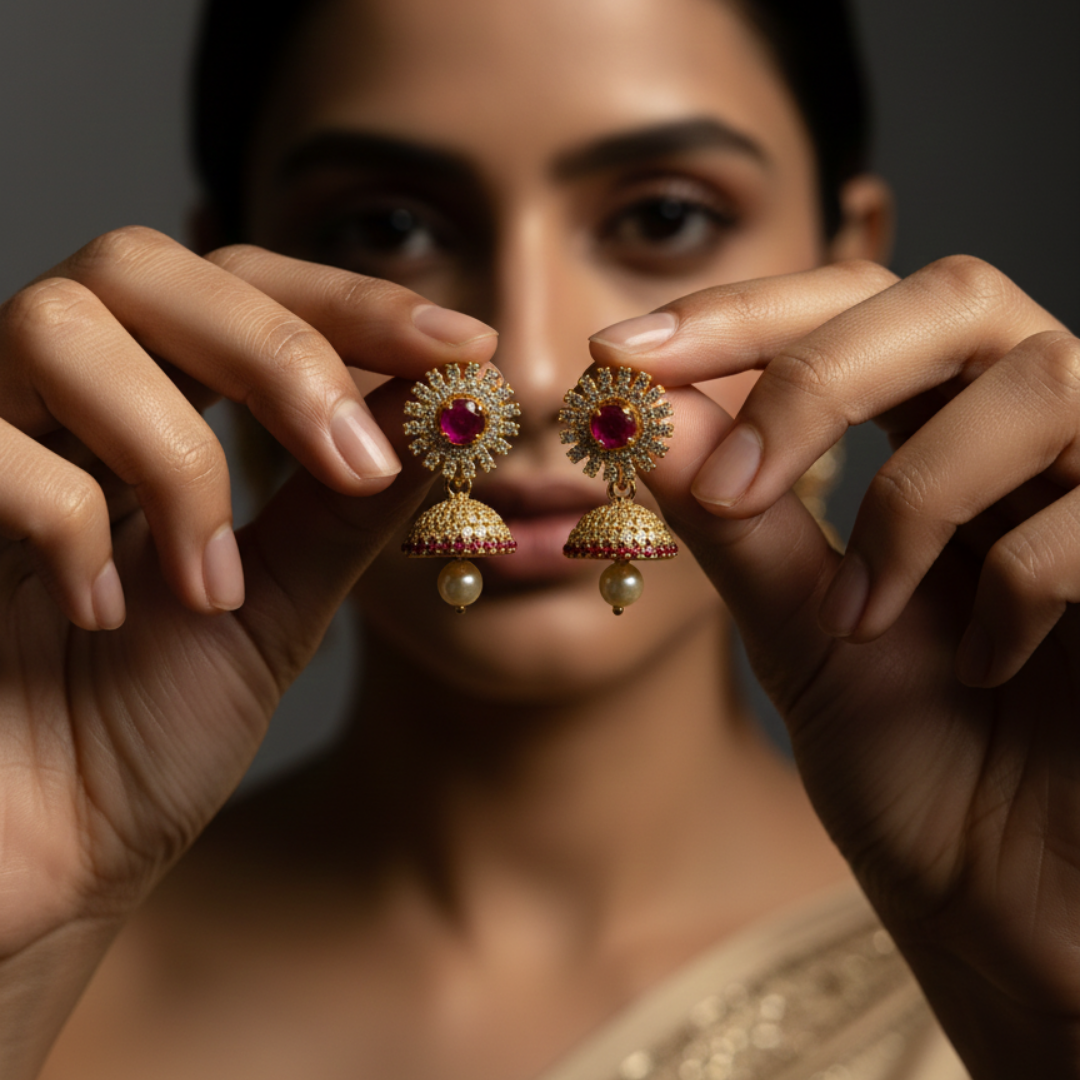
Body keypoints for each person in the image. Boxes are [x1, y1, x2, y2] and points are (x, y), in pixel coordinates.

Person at [1, 0, 1077, 1077]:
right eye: (388, 229)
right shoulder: (43, 951)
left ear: (849, 268)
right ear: (217, 305)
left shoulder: (1030, 936)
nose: (531, 371)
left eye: (663, 217)